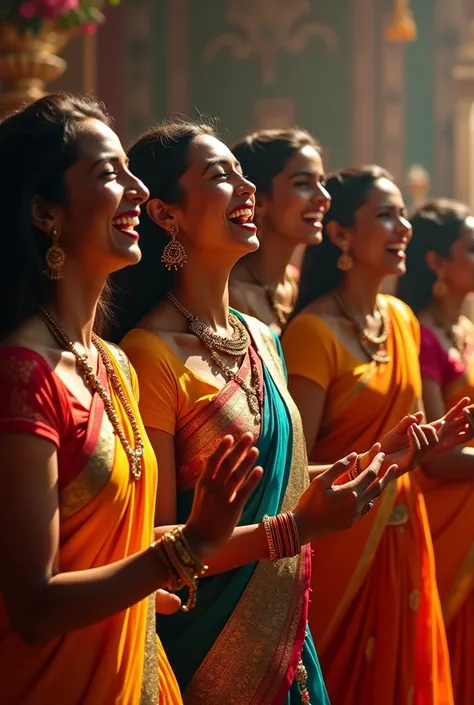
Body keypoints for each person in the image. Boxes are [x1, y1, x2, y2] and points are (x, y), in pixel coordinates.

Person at [111, 123, 442, 704]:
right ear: (165, 214)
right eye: (220, 176)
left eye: (243, 176)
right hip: (205, 655)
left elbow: (282, 485)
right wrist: (293, 531)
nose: (247, 191)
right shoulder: (148, 355)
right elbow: (156, 548)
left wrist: (377, 460)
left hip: (289, 643)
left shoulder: (262, 337)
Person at [0, 93, 266, 705]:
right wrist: (188, 549)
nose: (138, 190)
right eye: (108, 174)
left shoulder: (113, 363)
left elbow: (122, 545)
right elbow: (35, 608)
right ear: (45, 212)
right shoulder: (24, 374)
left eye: (130, 169)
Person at [281, 167, 472, 705]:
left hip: (406, 533)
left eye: (403, 216)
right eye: (385, 216)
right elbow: (296, 465)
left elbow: (411, 434)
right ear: (341, 235)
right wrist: (389, 460)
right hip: (344, 536)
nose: (402, 228)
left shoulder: (403, 320)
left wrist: (427, 443)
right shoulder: (313, 333)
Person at [398, 199, 474, 705]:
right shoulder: (422, 337)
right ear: (436, 263)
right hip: (442, 512)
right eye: (471, 247)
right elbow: (432, 451)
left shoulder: (465, 332)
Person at [229, 128, 330, 334]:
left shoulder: (298, 283)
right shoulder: (230, 295)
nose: (324, 197)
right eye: (303, 183)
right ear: (258, 202)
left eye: (322, 182)